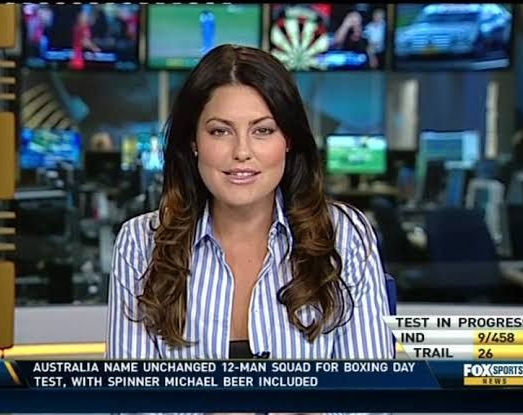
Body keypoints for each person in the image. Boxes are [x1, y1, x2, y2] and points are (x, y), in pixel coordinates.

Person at [106, 45, 393, 360]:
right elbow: (134, 389)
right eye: (220, 131)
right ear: (193, 141)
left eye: (263, 130)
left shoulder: (344, 236)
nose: (242, 151)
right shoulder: (141, 244)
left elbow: (367, 385)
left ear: (288, 139)